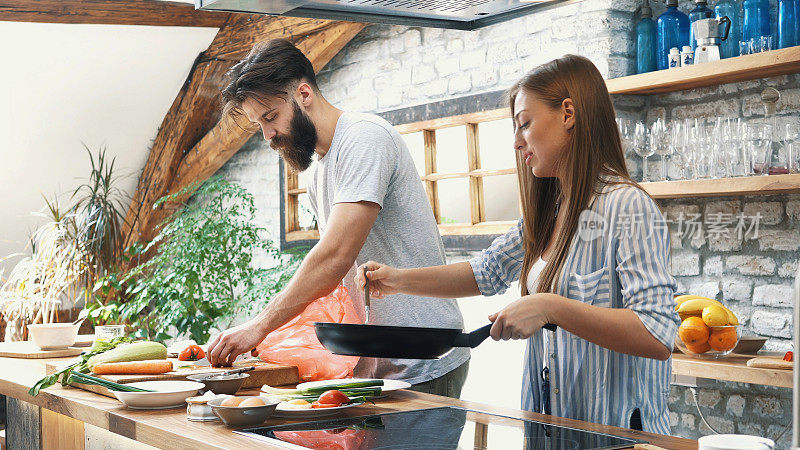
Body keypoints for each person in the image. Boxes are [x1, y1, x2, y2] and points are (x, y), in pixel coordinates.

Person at [354, 55, 679, 434]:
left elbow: (657, 332)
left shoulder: (628, 206)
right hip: (551, 431)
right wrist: (397, 280)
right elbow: (486, 272)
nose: (515, 141)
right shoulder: (548, 212)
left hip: (616, 437)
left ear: (568, 114)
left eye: (525, 123)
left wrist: (548, 307)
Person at [206, 39, 469, 397]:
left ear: (303, 94)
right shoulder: (317, 171)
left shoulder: (364, 139)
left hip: (423, 359)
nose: (268, 136)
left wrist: (261, 325)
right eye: (259, 125)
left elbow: (334, 258)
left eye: (270, 118)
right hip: (375, 365)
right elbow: (332, 277)